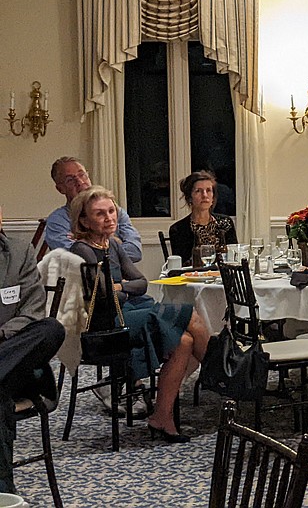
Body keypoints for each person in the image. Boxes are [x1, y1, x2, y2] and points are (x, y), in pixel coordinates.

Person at [70, 186, 209, 443]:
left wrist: (120, 286)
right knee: (189, 315)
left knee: (185, 341)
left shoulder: (112, 243)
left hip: (129, 311)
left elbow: (142, 283)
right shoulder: (82, 250)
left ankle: (161, 417)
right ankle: (217, 377)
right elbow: (103, 297)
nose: (109, 218)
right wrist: (122, 290)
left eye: (111, 211)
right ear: (84, 220)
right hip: (105, 325)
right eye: (100, 214)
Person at [0, 206, 65, 494]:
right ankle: (4, 491)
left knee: (51, 328)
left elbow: (33, 311)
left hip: (15, 352)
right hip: (10, 377)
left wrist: (3, 333)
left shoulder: (18, 251)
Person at [45, 157, 142, 262]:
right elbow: (77, 260)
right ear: (60, 189)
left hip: (121, 276)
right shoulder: (57, 221)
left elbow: (135, 252)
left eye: (82, 175)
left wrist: (86, 241)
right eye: (70, 180)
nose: (80, 182)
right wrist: (116, 242)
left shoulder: (115, 211)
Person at [169, 171, 238, 267]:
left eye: (208, 190)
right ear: (189, 198)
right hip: (193, 278)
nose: (205, 195)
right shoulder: (178, 229)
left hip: (223, 278)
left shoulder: (225, 223)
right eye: (198, 191)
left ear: (213, 197)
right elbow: (182, 265)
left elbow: (234, 258)